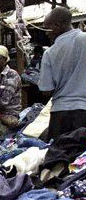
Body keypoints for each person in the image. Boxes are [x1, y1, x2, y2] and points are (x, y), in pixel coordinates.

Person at [39, 7, 86, 140]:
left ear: (57, 25)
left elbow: (46, 90)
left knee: (59, 155)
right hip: (84, 110)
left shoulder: (49, 53)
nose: (46, 34)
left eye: (47, 29)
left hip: (60, 114)